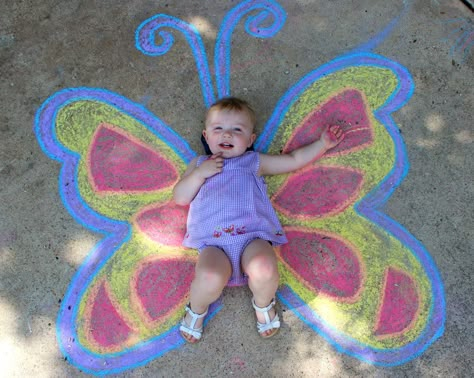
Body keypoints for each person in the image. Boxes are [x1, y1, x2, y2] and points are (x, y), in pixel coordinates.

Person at [173, 97, 344, 343]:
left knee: (264, 267)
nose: (227, 135)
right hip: (213, 243)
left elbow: (293, 160)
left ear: (251, 139)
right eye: (218, 129)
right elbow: (180, 197)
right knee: (209, 277)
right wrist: (199, 174)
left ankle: (263, 304)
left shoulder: (254, 162)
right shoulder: (200, 164)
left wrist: (322, 144)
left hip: (252, 237)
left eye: (237, 130)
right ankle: (196, 309)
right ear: (206, 135)